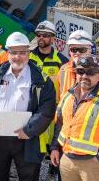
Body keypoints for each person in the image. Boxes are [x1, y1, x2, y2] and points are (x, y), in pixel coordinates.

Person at [0, 32, 56, 181]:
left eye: (22, 52)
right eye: (13, 52)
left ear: (28, 53)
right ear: (7, 53)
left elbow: (47, 110)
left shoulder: (41, 79)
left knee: (28, 177)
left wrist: (29, 130)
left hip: (27, 139)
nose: (17, 57)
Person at [50, 56, 99, 181]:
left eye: (91, 72)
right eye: (81, 72)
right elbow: (60, 124)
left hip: (93, 166)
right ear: (76, 74)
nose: (85, 76)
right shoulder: (67, 96)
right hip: (68, 160)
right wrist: (55, 148)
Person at [28, 20, 69, 178]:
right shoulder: (29, 58)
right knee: (33, 153)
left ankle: (54, 171)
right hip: (33, 111)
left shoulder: (62, 61)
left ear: (53, 38)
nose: (41, 38)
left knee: (55, 149)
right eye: (39, 35)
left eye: (45, 35)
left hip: (54, 113)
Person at [55, 30, 99, 100]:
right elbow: (58, 100)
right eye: (73, 49)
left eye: (82, 50)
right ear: (69, 51)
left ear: (90, 50)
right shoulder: (63, 70)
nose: (77, 53)